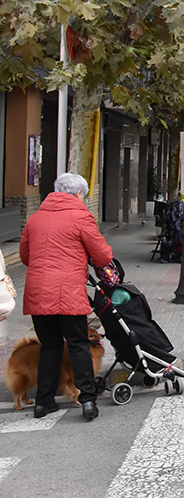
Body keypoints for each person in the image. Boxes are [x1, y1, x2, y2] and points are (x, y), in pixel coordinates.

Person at [21, 173, 113, 420]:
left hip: (38, 292)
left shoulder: (35, 218)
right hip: (68, 292)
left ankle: (43, 402)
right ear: (79, 194)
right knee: (78, 345)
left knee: (49, 345)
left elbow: (25, 257)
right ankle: (88, 402)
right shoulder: (82, 216)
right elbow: (103, 256)